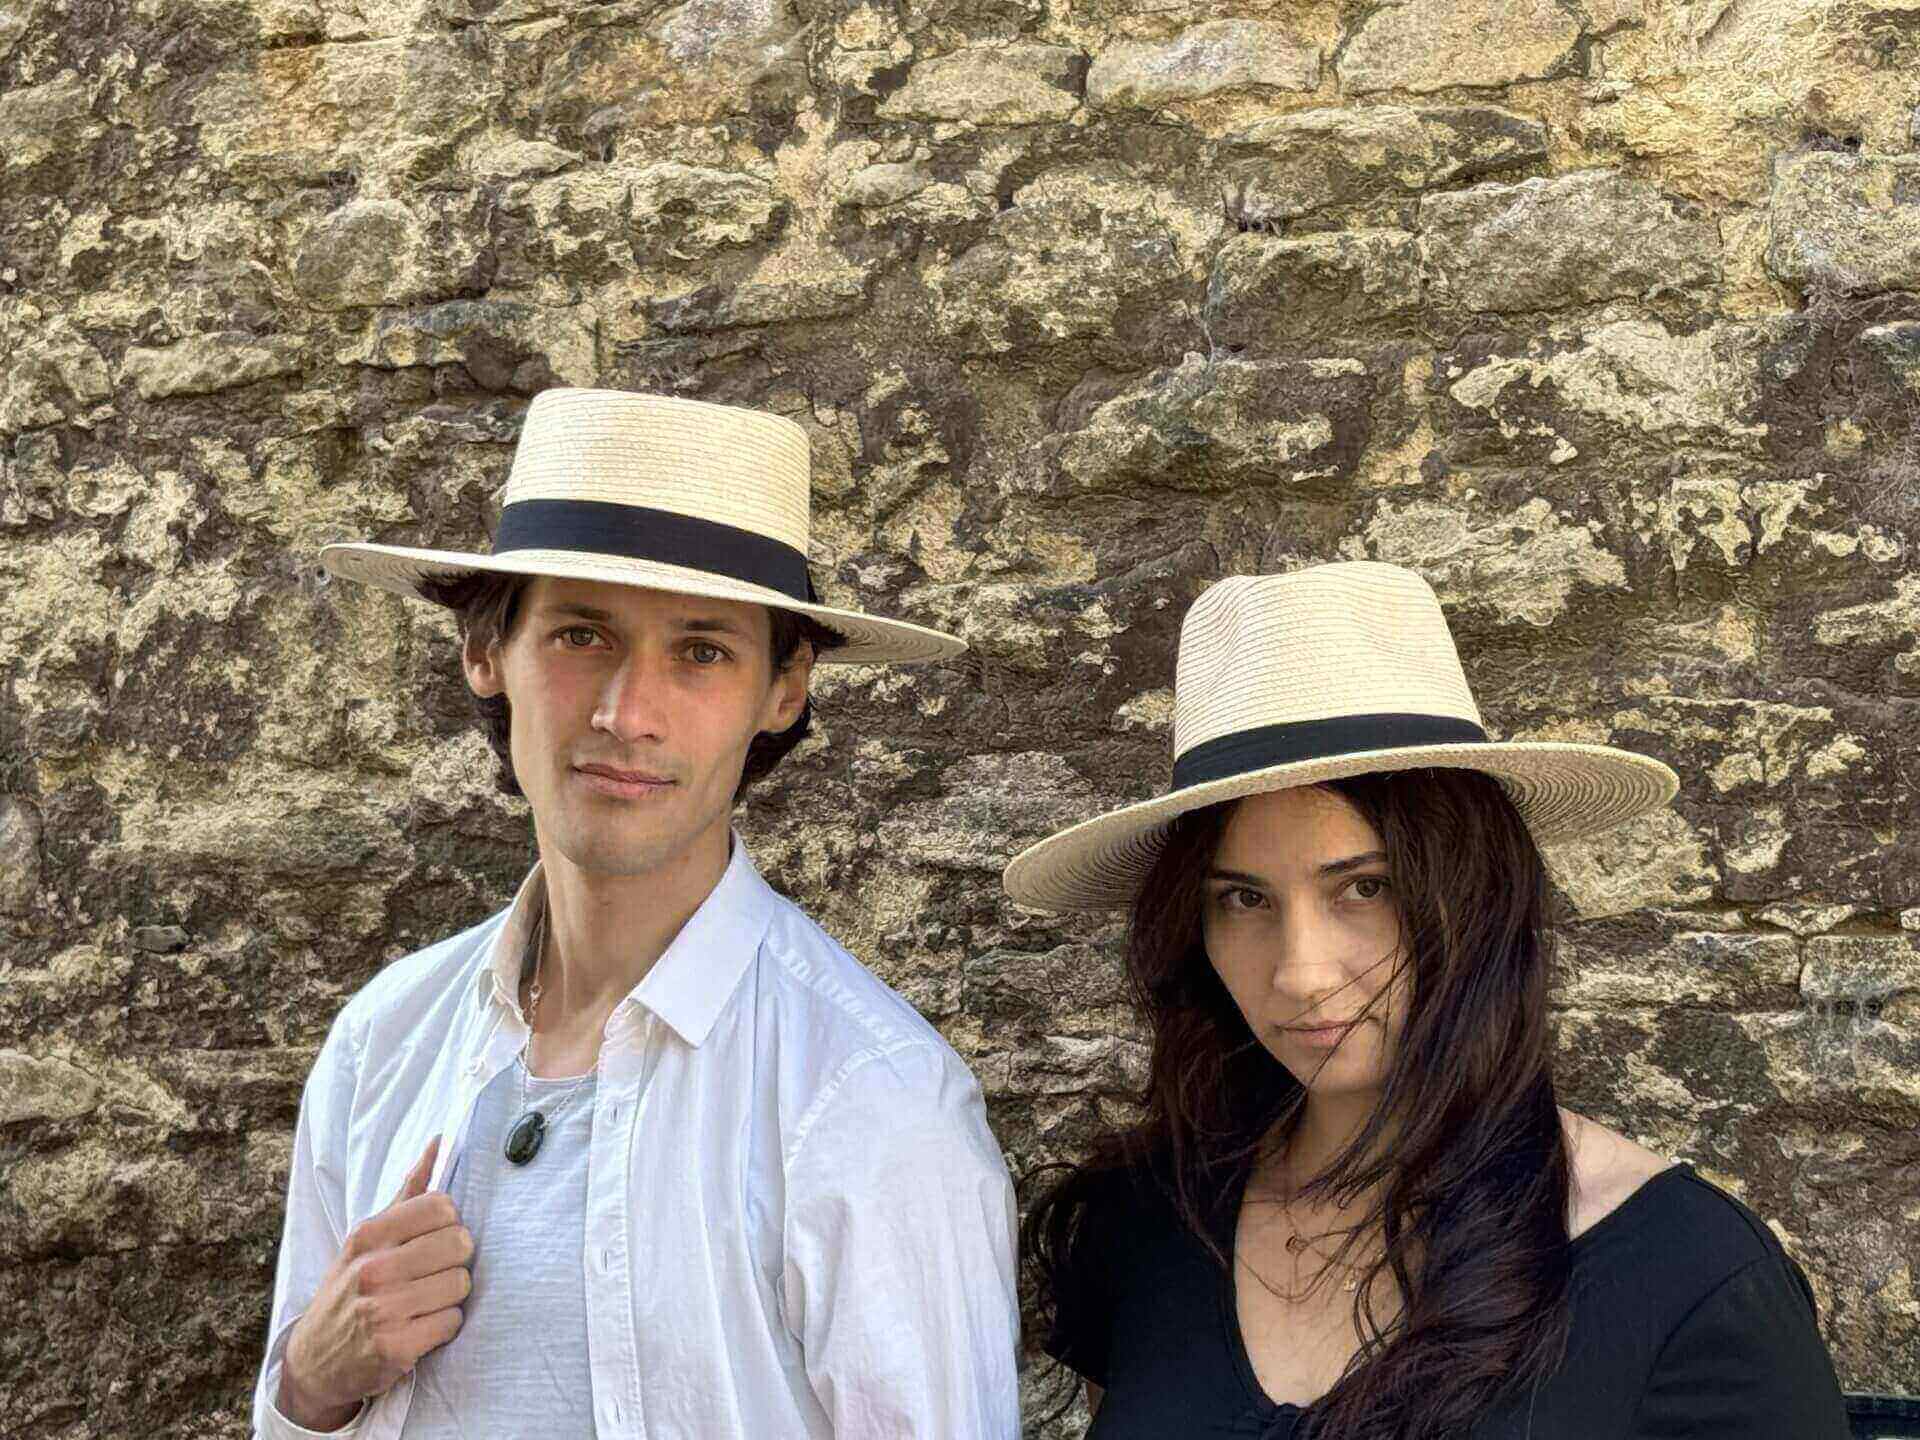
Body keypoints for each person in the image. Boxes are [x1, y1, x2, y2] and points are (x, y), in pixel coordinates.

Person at [251, 388, 1021, 1440]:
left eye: (701, 652)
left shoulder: (868, 1102)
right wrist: (309, 1383)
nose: (626, 713)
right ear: (489, 654)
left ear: (782, 690)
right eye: (579, 635)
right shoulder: (383, 1041)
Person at [1002, 561, 1851, 1439]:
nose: (1301, 973)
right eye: (1243, 899)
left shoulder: (1684, 1275)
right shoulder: (1150, 1223)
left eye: (1365, 889)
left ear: (1476, 893)